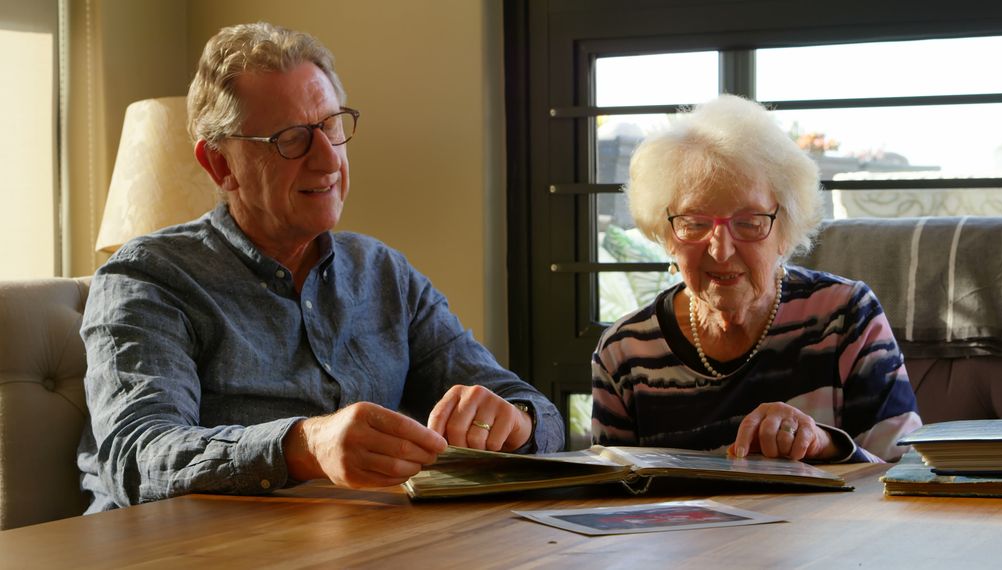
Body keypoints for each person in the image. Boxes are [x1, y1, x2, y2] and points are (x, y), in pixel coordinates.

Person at [77, 22, 563, 512]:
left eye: (331, 126)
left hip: (354, 544)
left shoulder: (384, 273)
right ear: (221, 165)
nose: (328, 158)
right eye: (291, 138)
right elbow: (137, 458)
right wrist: (304, 447)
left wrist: (515, 421)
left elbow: (537, 412)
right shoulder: (148, 278)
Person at [591, 94, 921, 463]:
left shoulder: (844, 317)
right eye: (695, 223)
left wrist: (823, 445)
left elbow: (904, 475)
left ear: (785, 229)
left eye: (748, 223)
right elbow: (611, 493)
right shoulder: (625, 352)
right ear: (667, 234)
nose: (720, 250)